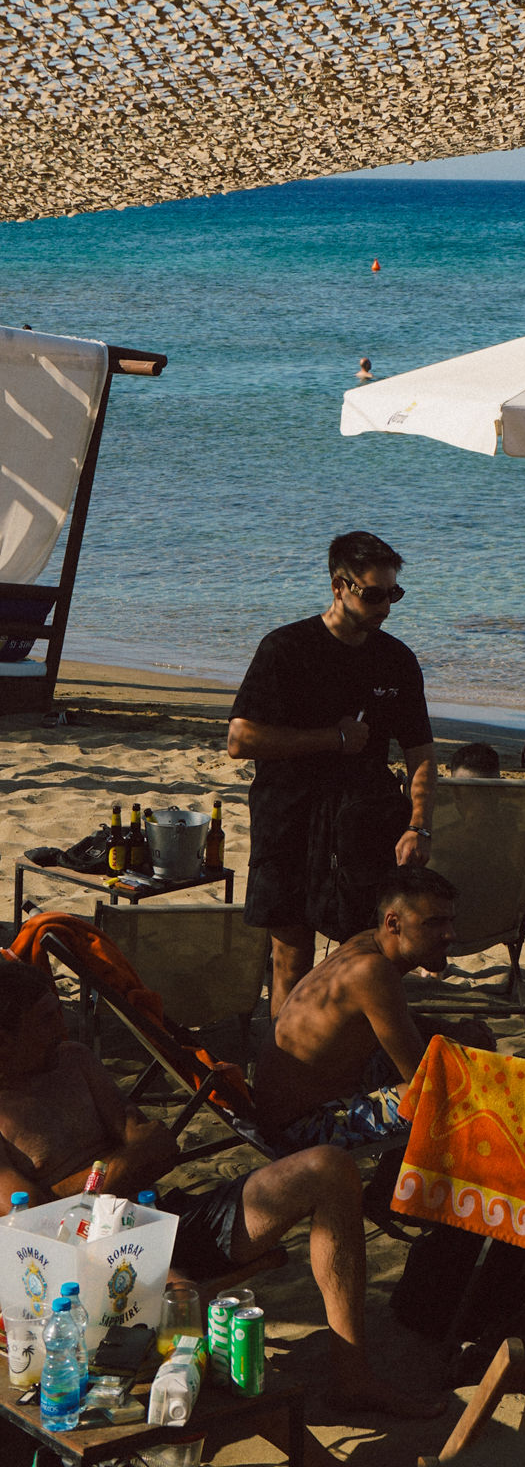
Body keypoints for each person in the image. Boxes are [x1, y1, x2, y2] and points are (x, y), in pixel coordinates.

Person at [0, 966, 440, 1419]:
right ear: (3, 1039)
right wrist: (125, 1166)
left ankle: (354, 1378)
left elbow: (157, 1141)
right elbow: (33, 1217)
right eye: (47, 1018)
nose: (64, 1025)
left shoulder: (75, 1061)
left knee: (329, 1167)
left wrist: (85, 1183)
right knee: (181, 1297)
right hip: (82, 1273)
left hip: (158, 1219)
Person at [228, 531, 437, 1018]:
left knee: (370, 954)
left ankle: (355, 1061)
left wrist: (419, 823)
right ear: (339, 586)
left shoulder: (396, 659)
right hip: (289, 815)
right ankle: (288, 1068)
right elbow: (240, 739)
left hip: (365, 821)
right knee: (292, 957)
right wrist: (331, 738)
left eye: (394, 594)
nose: (386, 605)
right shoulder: (286, 648)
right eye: (374, 593)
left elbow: (421, 752)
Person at [253, 866, 491, 1146]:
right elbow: (420, 1080)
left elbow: (394, 1018)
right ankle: (386, 1189)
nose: (450, 934)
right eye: (434, 922)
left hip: (282, 1107)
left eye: (451, 921)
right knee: (448, 1096)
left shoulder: (367, 943)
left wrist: (453, 1032)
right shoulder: (373, 972)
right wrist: (464, 1051)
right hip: (298, 1128)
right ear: (393, 924)